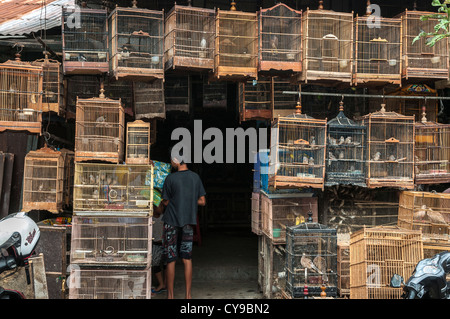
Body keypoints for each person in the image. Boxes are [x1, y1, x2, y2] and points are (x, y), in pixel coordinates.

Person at [161, 150, 206, 299]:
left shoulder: (170, 178)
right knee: (187, 258)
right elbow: (202, 201)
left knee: (171, 258)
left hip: (171, 221)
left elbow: (166, 202)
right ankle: (188, 296)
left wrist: (177, 201)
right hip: (188, 221)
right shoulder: (195, 178)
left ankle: (171, 296)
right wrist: (188, 200)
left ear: (175, 159)